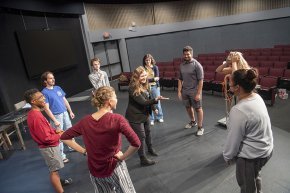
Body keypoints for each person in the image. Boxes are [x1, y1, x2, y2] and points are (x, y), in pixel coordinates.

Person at [60, 86, 140, 193]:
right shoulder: (117, 119)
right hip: (114, 168)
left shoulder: (85, 121)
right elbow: (136, 143)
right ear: (109, 102)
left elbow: (64, 137)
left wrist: (84, 151)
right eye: (115, 97)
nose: (117, 99)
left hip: (95, 171)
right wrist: (123, 157)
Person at [223, 69, 273, 193]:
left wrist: (227, 156)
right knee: (255, 176)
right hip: (266, 150)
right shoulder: (257, 96)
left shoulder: (239, 110)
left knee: (247, 187)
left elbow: (233, 140)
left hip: (251, 158)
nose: (229, 85)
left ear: (237, 87)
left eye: (230, 83)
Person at [24, 89, 72, 193]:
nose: (44, 98)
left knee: (55, 169)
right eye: (41, 97)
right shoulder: (36, 116)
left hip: (49, 147)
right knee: (54, 171)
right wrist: (59, 135)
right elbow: (46, 138)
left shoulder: (35, 113)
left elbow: (45, 131)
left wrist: (55, 131)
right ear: (33, 101)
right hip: (49, 148)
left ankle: (60, 182)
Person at [125, 66, 168, 166]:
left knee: (148, 133)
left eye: (145, 75)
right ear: (136, 76)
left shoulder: (145, 84)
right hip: (135, 116)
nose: (144, 77)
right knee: (141, 136)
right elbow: (143, 102)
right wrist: (156, 99)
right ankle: (142, 158)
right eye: (142, 75)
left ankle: (150, 149)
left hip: (145, 114)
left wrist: (154, 108)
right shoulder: (132, 88)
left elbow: (149, 97)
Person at [41, 71, 75, 163]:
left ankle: (72, 146)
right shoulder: (44, 93)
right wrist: (54, 120)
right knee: (58, 136)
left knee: (69, 131)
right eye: (50, 78)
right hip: (56, 116)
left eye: (53, 77)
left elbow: (65, 100)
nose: (53, 79)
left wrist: (70, 111)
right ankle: (61, 155)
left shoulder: (58, 88)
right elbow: (46, 109)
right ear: (45, 81)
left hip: (65, 113)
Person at [178, 46, 204, 136]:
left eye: (188, 54)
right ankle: (193, 121)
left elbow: (201, 80)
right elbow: (180, 79)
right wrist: (179, 91)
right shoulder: (181, 65)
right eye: (185, 54)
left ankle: (200, 127)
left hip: (194, 91)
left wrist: (198, 93)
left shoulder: (197, 65)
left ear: (191, 54)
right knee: (188, 107)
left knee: (198, 108)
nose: (186, 56)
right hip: (185, 91)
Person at [143, 54, 164, 126]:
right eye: (146, 60)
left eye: (149, 60)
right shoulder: (143, 68)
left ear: (151, 60)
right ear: (144, 61)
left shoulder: (155, 67)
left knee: (157, 102)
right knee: (149, 103)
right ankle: (151, 119)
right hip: (146, 87)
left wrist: (148, 80)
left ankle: (159, 116)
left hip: (155, 86)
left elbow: (157, 78)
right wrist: (152, 79)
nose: (148, 61)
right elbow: (144, 80)